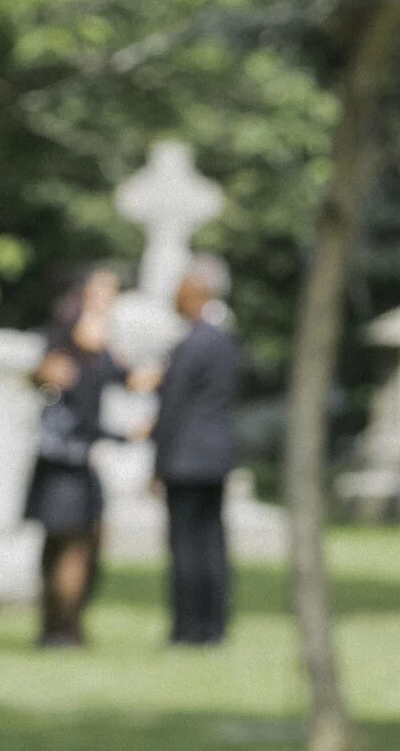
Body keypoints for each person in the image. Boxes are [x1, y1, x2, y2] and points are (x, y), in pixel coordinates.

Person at [26, 266, 155, 646]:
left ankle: (57, 627)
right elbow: (78, 411)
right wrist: (123, 434)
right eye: (103, 290)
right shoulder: (72, 342)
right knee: (73, 546)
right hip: (69, 461)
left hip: (68, 460)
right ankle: (64, 629)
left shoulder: (87, 342)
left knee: (66, 545)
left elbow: (124, 378)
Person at [152, 258, 240, 646]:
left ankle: (188, 628)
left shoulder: (191, 345)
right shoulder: (225, 341)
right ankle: (214, 625)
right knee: (213, 542)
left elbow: (173, 407)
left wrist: (158, 464)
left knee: (186, 545)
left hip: (185, 459)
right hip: (216, 457)